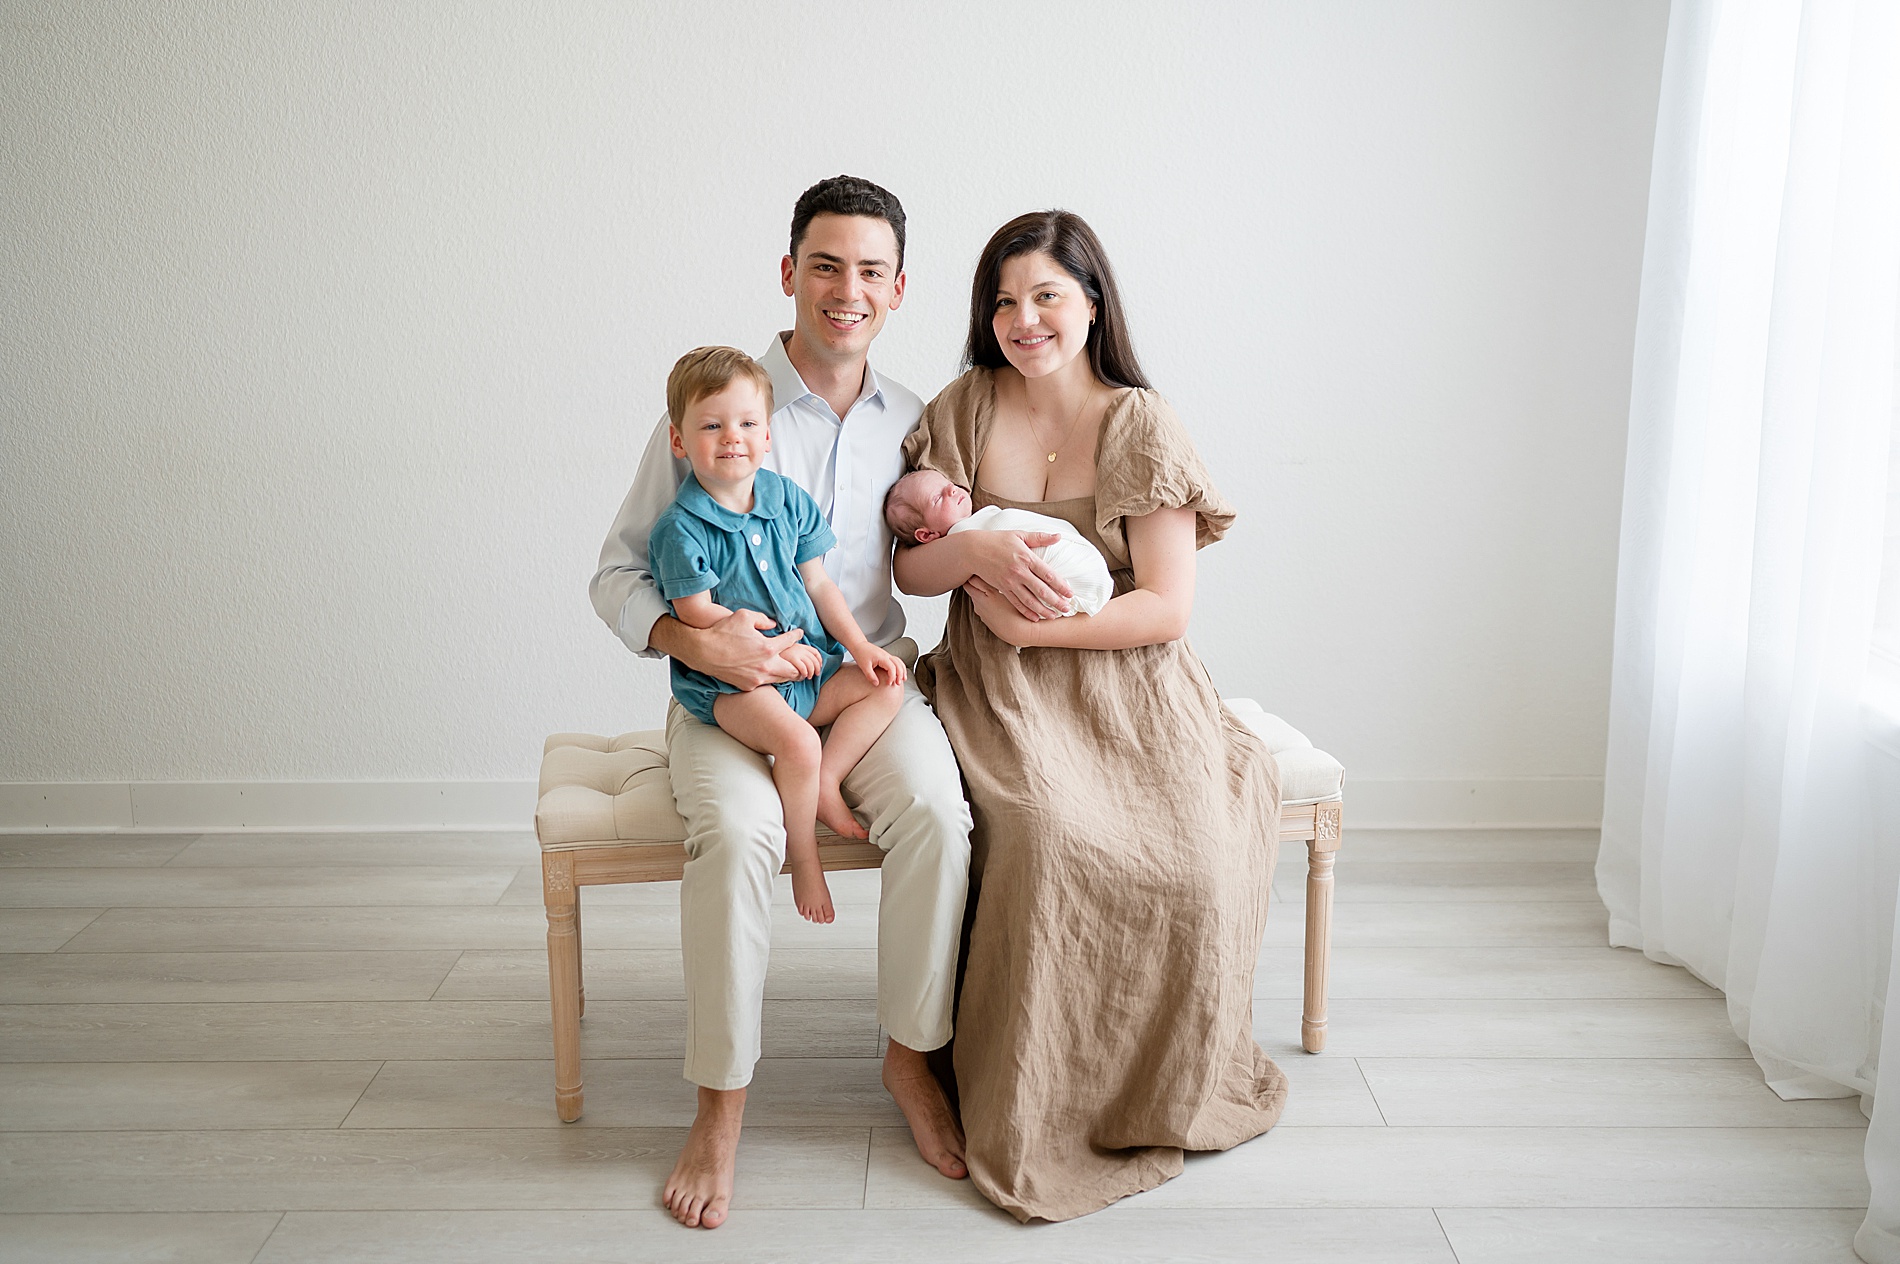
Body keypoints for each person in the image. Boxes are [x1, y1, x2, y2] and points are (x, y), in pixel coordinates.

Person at [592, 178, 1028, 1229]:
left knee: (937, 813)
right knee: (738, 835)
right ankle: (721, 1106)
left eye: (870, 271)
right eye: (825, 265)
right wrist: (694, 636)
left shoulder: (918, 421)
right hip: (729, 700)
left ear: (898, 289)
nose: (847, 290)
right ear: (788, 275)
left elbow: (929, 559)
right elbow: (616, 575)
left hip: (861, 681)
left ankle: (909, 1059)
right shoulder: (720, 407)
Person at [893, 209, 1286, 1222]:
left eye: (1046, 296)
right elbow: (908, 561)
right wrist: (973, 561)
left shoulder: (1139, 423)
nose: (1023, 318)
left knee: (1194, 852)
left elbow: (1163, 603)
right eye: (1004, 299)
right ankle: (1029, 1096)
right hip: (998, 680)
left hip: (1125, 672)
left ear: (1092, 302)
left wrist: (1041, 635)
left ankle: (1157, 1085)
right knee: (1048, 836)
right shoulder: (963, 408)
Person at [649, 346, 910, 924]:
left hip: (809, 669)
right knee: (798, 743)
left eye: (747, 424)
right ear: (679, 441)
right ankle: (806, 856)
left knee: (886, 685)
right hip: (734, 688)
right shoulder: (680, 527)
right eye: (711, 426)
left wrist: (862, 648)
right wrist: (774, 654)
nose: (732, 437)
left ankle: (826, 782)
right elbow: (695, 614)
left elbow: (820, 585)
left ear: (768, 435)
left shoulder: (787, 500)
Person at [883, 469, 1112, 616]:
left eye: (947, 483)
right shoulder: (960, 537)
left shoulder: (983, 517)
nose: (952, 489)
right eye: (937, 497)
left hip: (1089, 568)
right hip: (1077, 580)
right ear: (927, 536)